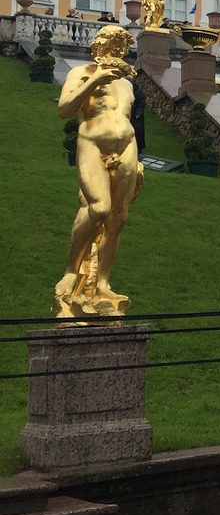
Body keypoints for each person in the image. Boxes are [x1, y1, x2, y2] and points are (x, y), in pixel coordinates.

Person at [54, 25, 143, 318]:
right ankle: (71, 271)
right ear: (99, 47)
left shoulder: (128, 84)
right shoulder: (81, 73)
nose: (118, 51)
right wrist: (94, 81)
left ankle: (102, 284)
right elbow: (65, 108)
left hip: (127, 148)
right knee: (99, 208)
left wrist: (138, 161)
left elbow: (130, 120)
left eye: (122, 46)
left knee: (118, 218)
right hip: (92, 143)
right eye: (113, 45)